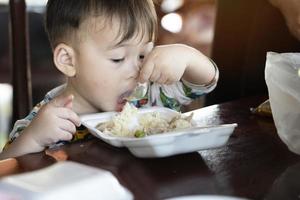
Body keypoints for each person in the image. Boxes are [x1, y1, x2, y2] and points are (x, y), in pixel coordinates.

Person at [0, 0, 218, 160]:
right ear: (68, 60)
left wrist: (187, 56)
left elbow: (205, 82)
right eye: (118, 58)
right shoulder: (51, 120)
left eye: (143, 55)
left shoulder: (149, 95)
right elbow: (5, 168)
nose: (136, 70)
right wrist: (34, 139)